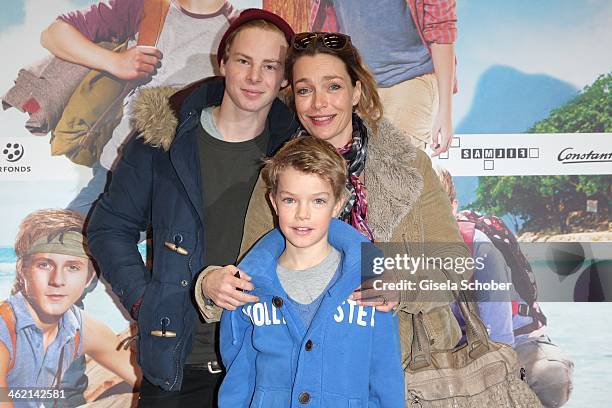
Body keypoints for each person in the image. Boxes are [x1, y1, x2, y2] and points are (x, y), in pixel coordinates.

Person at [196, 31, 470, 406]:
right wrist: (210, 285)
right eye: (305, 90)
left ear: (356, 92)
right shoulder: (277, 176)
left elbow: (455, 267)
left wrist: (398, 284)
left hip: (412, 372)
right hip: (309, 381)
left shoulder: (410, 167)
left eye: (334, 86)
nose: (319, 103)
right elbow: (252, 281)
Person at [86, 9, 298, 407]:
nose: (255, 77)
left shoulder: (298, 151)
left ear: (284, 79)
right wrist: (148, 302)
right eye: (244, 61)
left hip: (267, 368)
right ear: (223, 62)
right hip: (179, 367)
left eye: (269, 66)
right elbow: (107, 229)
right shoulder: (164, 140)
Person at [218, 136, 404, 407]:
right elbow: (237, 378)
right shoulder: (247, 288)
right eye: (290, 200)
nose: (302, 214)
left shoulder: (370, 284)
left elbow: (386, 378)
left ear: (338, 203)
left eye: (317, 201)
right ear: (273, 201)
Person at [40, 0, 238, 215]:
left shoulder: (241, 27)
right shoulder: (145, 7)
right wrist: (115, 62)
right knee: (60, 242)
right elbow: (53, 34)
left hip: (190, 180)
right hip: (120, 169)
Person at [435, 166, 575, 408]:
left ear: (453, 207)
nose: (428, 217)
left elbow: (499, 343)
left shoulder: (480, 248)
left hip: (510, 340)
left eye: (436, 206)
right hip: (453, 344)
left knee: (549, 376)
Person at [0, 209, 140, 408]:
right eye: (44, 265)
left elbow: (151, 381)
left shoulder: (78, 326)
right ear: (23, 270)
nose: (57, 280)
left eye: (72, 267)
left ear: (89, 277)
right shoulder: (4, 331)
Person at [308, 0, 457, 156]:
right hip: (359, 82)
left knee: (393, 163)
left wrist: (445, 111)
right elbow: (331, 24)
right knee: (350, 166)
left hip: (411, 75)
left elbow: (441, 28)